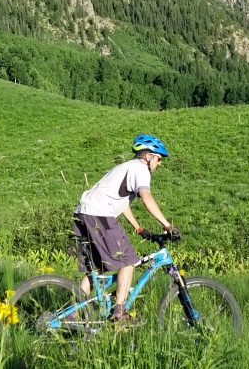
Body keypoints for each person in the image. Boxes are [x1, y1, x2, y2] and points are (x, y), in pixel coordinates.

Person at [72, 133, 181, 322]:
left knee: (96, 272)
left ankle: (72, 314)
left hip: (83, 213)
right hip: (99, 214)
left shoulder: (124, 167)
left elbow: (122, 203)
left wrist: (139, 228)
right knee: (128, 262)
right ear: (148, 156)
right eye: (159, 158)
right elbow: (146, 198)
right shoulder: (140, 169)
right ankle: (119, 312)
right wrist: (168, 226)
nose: (160, 163)